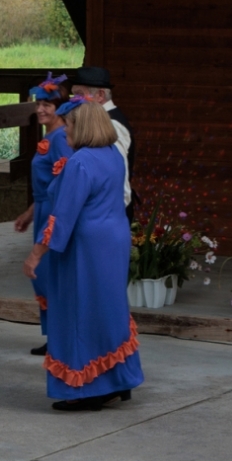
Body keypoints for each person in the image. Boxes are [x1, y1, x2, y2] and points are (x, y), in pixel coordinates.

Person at [23, 97, 144, 411]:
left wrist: (36, 254)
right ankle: (118, 379)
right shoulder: (112, 155)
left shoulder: (81, 162)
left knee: (80, 312)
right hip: (114, 238)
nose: (65, 132)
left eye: (70, 125)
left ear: (83, 126)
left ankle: (87, 388)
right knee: (108, 307)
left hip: (86, 245)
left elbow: (63, 216)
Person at [13, 74, 72, 356]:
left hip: (53, 212)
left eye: (47, 104)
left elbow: (64, 184)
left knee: (49, 275)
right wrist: (28, 213)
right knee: (43, 278)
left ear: (60, 107)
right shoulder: (50, 136)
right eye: (39, 104)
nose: (40, 109)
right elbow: (47, 186)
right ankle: (53, 337)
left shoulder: (61, 139)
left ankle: (59, 338)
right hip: (43, 209)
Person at [69, 66, 134, 212]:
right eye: (73, 95)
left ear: (99, 95)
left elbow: (120, 175)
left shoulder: (113, 125)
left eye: (79, 94)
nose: (74, 100)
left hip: (110, 213)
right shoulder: (100, 122)